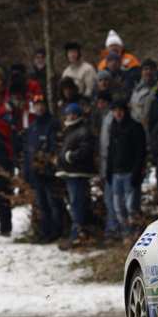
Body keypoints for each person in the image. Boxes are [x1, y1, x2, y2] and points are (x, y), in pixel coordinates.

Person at [23, 94, 63, 243]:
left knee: (54, 204)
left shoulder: (53, 124)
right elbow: (27, 151)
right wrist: (26, 172)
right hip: (35, 174)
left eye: (42, 104)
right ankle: (45, 231)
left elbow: (54, 148)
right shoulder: (32, 127)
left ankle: (57, 232)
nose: (39, 107)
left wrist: (48, 167)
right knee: (42, 206)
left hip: (49, 174)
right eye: (36, 105)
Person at [55, 103, 95, 250]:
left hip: (78, 173)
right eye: (68, 114)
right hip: (71, 173)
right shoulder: (72, 131)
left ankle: (78, 237)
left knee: (77, 206)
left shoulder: (82, 131)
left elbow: (85, 151)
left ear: (78, 115)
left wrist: (69, 157)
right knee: (76, 206)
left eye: (73, 113)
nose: (71, 116)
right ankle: (79, 235)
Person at [107, 100, 147, 239]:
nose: (118, 113)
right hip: (116, 173)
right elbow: (111, 149)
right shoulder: (113, 127)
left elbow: (141, 151)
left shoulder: (135, 127)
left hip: (130, 172)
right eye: (115, 110)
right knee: (118, 207)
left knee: (132, 208)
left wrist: (137, 171)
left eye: (120, 110)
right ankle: (126, 236)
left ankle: (137, 235)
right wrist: (109, 168)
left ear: (125, 111)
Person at [96, 91, 119, 241]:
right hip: (106, 165)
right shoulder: (104, 118)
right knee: (109, 199)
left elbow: (108, 146)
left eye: (104, 101)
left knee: (113, 200)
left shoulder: (111, 118)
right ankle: (111, 229)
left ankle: (113, 230)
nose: (101, 105)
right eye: (99, 102)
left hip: (113, 165)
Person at [0, 103, 12, 236]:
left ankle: (5, 227)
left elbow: (8, 129)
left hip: (3, 161)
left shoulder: (2, 112)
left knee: (2, 195)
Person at [130, 58, 157, 129]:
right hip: (136, 130)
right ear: (142, 72)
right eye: (146, 69)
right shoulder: (136, 89)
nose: (148, 72)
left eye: (151, 69)